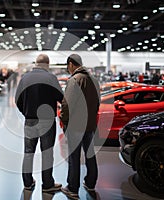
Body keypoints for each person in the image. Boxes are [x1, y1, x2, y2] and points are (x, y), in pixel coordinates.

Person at [15, 54, 63, 193]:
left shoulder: (25, 78)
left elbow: (18, 99)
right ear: (47, 64)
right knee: (47, 153)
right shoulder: (51, 78)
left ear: (36, 63)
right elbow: (61, 98)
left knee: (28, 152)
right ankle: (47, 184)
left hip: (30, 120)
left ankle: (27, 183)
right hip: (47, 121)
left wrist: (27, 113)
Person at [60, 54, 100, 199]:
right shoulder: (94, 80)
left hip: (75, 126)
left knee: (74, 157)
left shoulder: (74, 80)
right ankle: (90, 183)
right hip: (90, 125)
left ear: (71, 64)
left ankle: (72, 188)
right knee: (90, 154)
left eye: (68, 67)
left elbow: (66, 105)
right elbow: (98, 103)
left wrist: (63, 120)